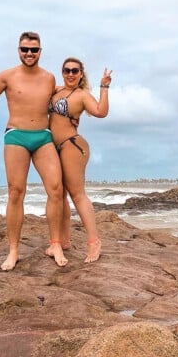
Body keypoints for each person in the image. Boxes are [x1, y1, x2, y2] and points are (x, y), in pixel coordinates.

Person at [0, 32, 67, 269]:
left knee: (56, 188)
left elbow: (66, 101)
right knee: (16, 192)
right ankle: (13, 250)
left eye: (33, 50)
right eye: (25, 49)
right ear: (19, 50)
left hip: (43, 137)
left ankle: (55, 243)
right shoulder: (8, 76)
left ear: (40, 51)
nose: (29, 54)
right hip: (16, 136)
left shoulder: (49, 78)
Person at [49, 57, 112, 263]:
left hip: (72, 145)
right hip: (53, 147)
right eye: (66, 70)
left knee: (77, 195)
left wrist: (104, 87)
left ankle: (94, 242)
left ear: (81, 73)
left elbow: (101, 112)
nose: (70, 74)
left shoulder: (82, 95)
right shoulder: (56, 91)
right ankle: (63, 241)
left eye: (75, 71)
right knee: (59, 194)